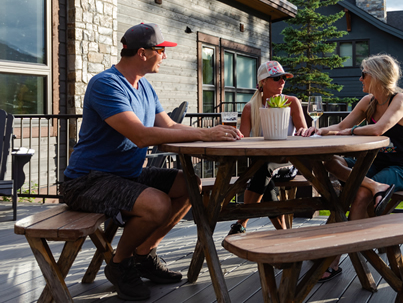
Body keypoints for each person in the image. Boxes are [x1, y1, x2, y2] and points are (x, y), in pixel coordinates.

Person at [60, 23, 243, 301]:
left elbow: (169, 125)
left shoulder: (144, 86)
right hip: (87, 180)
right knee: (157, 204)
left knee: (189, 185)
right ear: (143, 53)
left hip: (126, 174)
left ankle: (144, 253)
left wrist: (216, 131)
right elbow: (140, 135)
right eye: (161, 51)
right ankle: (120, 264)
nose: (164, 57)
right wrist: (206, 133)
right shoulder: (106, 84)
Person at [298, 54, 403, 281]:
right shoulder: (368, 102)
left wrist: (348, 133)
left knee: (359, 191)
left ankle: (333, 261)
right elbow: (342, 125)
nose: (360, 79)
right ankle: (376, 186)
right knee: (331, 162)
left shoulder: (400, 100)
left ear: (376, 76)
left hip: (402, 166)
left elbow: (378, 129)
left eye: (363, 74)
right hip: (372, 164)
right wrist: (319, 130)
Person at [227, 61, 307, 235]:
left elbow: (303, 132)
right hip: (262, 163)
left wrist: (303, 132)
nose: (282, 82)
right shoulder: (250, 108)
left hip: (288, 162)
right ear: (263, 82)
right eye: (277, 78)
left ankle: (241, 222)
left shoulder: (291, 102)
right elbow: (242, 140)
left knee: (262, 171)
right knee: (264, 173)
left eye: (284, 78)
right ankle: (284, 234)